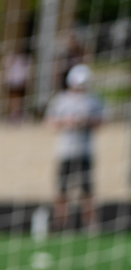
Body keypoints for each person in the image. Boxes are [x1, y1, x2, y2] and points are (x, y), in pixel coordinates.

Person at [46, 63, 102, 233]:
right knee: (62, 189)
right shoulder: (61, 100)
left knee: (87, 190)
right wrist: (67, 121)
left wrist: (85, 121)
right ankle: (60, 223)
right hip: (65, 151)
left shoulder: (93, 100)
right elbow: (49, 122)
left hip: (85, 151)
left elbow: (102, 121)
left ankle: (90, 224)